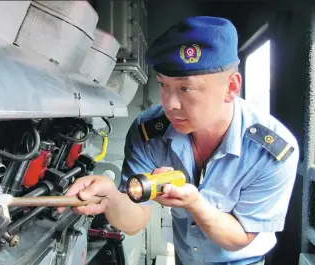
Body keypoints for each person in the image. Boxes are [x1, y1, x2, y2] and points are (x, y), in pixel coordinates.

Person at [58, 16, 300, 265]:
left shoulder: (271, 151)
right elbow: (136, 219)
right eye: (163, 84)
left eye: (186, 89)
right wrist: (110, 197)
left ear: (231, 87)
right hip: (185, 258)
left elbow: (240, 237)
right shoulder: (147, 132)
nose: (170, 104)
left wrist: (196, 204)